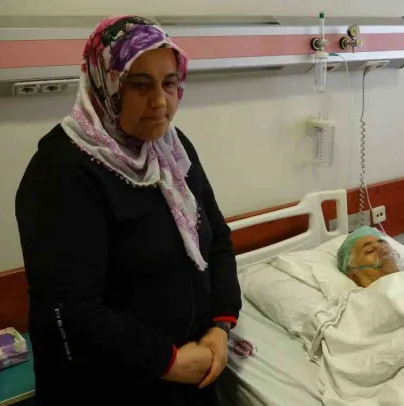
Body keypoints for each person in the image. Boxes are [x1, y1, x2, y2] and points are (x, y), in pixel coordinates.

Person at [15, 16, 241, 405]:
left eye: (169, 83)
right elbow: (72, 311)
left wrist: (221, 325)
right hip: (113, 384)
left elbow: (216, 238)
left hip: (194, 367)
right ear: (107, 84)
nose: (160, 102)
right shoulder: (62, 172)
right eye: (140, 85)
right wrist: (168, 361)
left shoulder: (171, 150)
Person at [336, 227, 404, 288]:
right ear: (353, 275)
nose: (383, 249)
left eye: (384, 244)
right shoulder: (357, 304)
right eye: (369, 250)